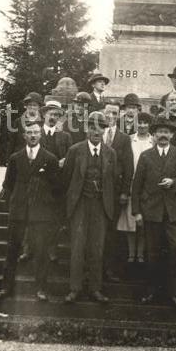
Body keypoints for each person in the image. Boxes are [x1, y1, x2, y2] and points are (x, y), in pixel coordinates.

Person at [132, 114, 176, 308]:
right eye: (159, 132)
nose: (163, 135)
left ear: (171, 134)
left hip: (174, 214)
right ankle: (151, 291)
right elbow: (136, 186)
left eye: (167, 132)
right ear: (154, 135)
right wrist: (137, 211)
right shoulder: (146, 156)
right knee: (153, 254)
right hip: (152, 212)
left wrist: (174, 182)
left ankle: (174, 294)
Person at [0, 121, 60, 302]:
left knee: (41, 251)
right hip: (19, 212)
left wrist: (45, 206)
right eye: (29, 132)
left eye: (36, 132)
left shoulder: (50, 159)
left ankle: (40, 289)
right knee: (12, 250)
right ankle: (6, 288)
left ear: (41, 135)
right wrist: (15, 205)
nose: (32, 135)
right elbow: (7, 185)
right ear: (24, 135)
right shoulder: (16, 158)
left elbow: (57, 188)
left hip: (40, 214)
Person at [62, 111, 117, 303]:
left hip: (100, 206)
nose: (96, 131)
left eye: (100, 127)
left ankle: (95, 289)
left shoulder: (110, 153)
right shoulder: (75, 150)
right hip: (80, 204)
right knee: (77, 247)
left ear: (104, 130)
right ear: (86, 129)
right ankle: (74, 289)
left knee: (97, 248)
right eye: (92, 126)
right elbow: (66, 179)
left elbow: (113, 182)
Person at [35, 100, 72, 263]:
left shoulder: (65, 136)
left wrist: (65, 161)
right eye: (51, 114)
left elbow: (71, 158)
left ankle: (52, 249)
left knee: (55, 219)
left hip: (57, 185)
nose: (53, 117)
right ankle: (30, 249)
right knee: (34, 217)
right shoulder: (35, 133)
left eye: (57, 115)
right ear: (43, 115)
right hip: (38, 182)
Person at [102, 100, 134, 280]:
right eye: (108, 113)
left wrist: (124, 192)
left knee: (112, 232)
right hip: (96, 191)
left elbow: (128, 167)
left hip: (115, 192)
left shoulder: (123, 138)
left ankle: (110, 269)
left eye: (114, 113)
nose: (111, 116)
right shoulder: (96, 133)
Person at [117, 111, 154, 263]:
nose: (143, 125)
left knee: (144, 220)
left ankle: (141, 253)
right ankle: (131, 253)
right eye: (140, 122)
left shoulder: (154, 140)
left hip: (148, 185)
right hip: (131, 183)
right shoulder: (129, 139)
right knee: (130, 221)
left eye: (145, 123)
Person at [6, 91, 43, 161]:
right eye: (29, 105)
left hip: (38, 157)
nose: (32, 107)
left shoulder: (43, 122)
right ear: (26, 106)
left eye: (34, 105)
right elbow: (12, 141)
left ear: (39, 107)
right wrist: (9, 159)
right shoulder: (18, 122)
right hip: (20, 157)